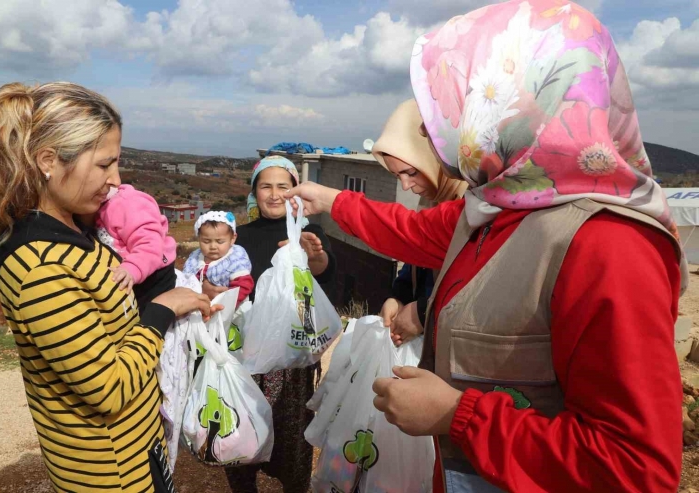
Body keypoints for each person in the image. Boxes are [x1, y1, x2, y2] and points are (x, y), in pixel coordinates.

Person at [286, 1, 689, 491]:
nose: (442, 133)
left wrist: (459, 416)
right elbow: (412, 232)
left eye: (459, 101)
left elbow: (636, 470)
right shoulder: (501, 207)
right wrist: (331, 198)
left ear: (514, 109)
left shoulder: (609, 246)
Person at [0, 82, 219, 492]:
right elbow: (107, 388)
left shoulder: (73, 230)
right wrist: (162, 309)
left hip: (135, 449)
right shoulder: (40, 267)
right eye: (105, 165)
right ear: (48, 160)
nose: (115, 179)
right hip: (109, 473)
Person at [214, 154, 336, 493]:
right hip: (243, 355)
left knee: (292, 444)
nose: (274, 193)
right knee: (240, 436)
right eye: (265, 186)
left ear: (295, 190)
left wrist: (313, 258)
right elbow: (219, 280)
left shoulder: (308, 232)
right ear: (254, 191)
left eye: (283, 186)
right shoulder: (237, 237)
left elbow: (326, 272)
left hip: (290, 358)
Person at [372, 99, 467, 346]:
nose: (405, 185)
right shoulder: (434, 200)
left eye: (412, 173)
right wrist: (398, 296)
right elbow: (418, 261)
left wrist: (424, 312)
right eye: (396, 175)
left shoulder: (475, 205)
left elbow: (481, 287)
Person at [95, 183, 178, 310]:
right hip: (131, 273)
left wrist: (132, 268)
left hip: (154, 275)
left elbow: (149, 244)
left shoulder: (127, 204)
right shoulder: (95, 206)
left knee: (149, 316)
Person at [183, 210, 254, 306]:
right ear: (199, 238)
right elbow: (186, 281)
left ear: (232, 239)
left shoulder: (235, 259)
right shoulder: (195, 259)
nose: (213, 246)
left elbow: (245, 285)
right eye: (206, 241)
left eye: (219, 242)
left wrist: (225, 302)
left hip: (231, 312)